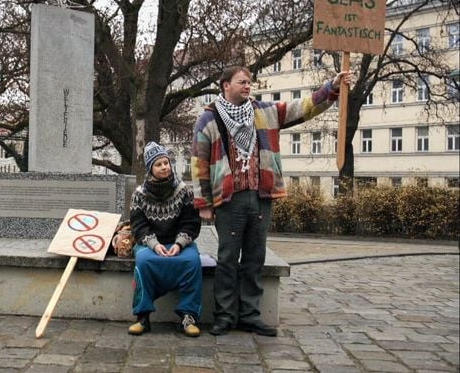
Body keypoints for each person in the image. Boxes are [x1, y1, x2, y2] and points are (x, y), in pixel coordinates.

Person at [191, 66, 353, 337]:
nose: (247, 86)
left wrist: (332, 86)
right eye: (242, 82)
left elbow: (303, 107)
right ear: (225, 85)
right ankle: (224, 316)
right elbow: (199, 164)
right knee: (228, 258)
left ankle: (250, 315)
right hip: (229, 200)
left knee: (255, 257)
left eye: (249, 82)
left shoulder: (265, 111)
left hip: (262, 196)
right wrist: (204, 203)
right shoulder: (208, 119)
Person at [128, 141, 203, 337]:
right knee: (144, 262)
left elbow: (191, 223)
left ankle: (189, 316)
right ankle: (143, 316)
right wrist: (154, 245)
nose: (164, 167)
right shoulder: (139, 195)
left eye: (166, 163)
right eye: (158, 164)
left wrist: (179, 244)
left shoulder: (184, 191)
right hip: (150, 244)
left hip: (180, 242)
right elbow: (138, 227)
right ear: (150, 168)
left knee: (192, 261)